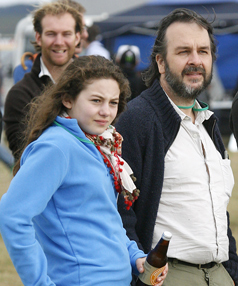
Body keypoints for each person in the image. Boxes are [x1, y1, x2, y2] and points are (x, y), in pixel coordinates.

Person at [0, 56, 167, 286]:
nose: (106, 112)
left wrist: (134, 255)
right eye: (96, 100)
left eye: (113, 102)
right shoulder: (57, 146)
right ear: (68, 99)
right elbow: (12, 215)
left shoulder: (94, 143)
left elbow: (105, 220)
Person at [115, 8, 238, 286]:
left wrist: (232, 272)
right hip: (169, 276)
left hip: (219, 274)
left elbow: (216, 207)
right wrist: (143, 274)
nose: (196, 61)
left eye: (203, 51)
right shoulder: (138, 119)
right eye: (183, 52)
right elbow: (120, 211)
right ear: (160, 62)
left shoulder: (207, 121)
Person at [3, 1, 82, 160]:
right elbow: (26, 155)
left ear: (77, 37)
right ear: (38, 37)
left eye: (66, 33)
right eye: (51, 33)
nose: (59, 42)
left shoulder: (93, 83)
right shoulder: (20, 94)